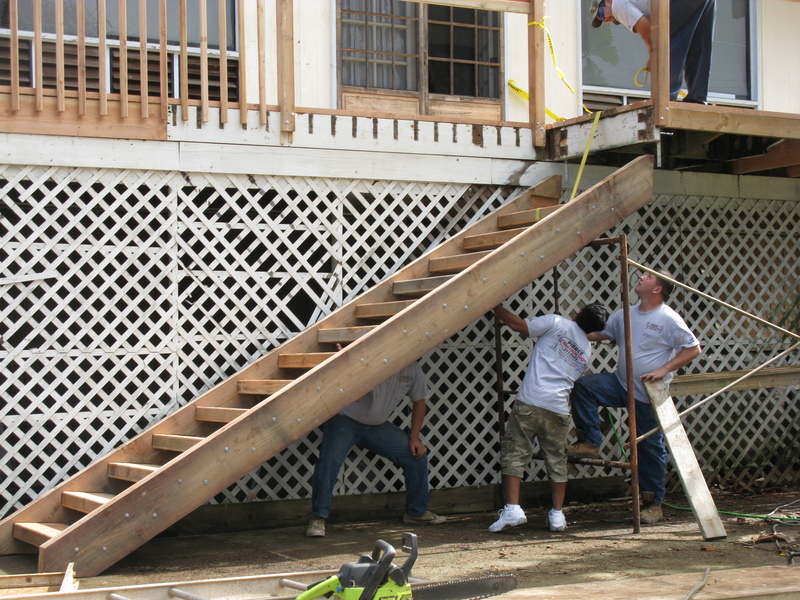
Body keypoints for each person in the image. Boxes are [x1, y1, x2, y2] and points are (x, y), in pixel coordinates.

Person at [568, 269, 702, 524]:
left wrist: (663, 369)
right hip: (620, 383)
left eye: (648, 277)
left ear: (657, 289)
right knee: (584, 387)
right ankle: (591, 441)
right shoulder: (625, 314)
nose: (641, 277)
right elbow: (600, 334)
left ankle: (653, 505)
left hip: (648, 393)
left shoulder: (668, 318)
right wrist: (569, 329)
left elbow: (693, 348)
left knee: (649, 446)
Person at [489, 302, 610, 533]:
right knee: (556, 461)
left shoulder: (556, 322)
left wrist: (494, 306)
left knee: (515, 453)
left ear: (579, 312)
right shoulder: (586, 349)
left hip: (532, 400)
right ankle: (556, 515)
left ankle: (513, 509)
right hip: (559, 409)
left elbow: (518, 325)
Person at [306, 361, 445, 537]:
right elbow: (353, 395)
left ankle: (415, 513)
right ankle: (318, 517)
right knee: (329, 461)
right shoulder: (376, 360)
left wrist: (415, 438)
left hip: (377, 426)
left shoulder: (413, 368)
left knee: (416, 455)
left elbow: (419, 402)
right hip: (345, 420)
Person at [589, 0, 716, 104]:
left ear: (608, 1)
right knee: (699, 48)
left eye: (600, 14)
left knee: (669, 46)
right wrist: (652, 57)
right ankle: (697, 99)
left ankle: (666, 99)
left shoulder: (618, 5)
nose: (604, 20)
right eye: (600, 20)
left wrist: (653, 58)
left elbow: (648, 32)